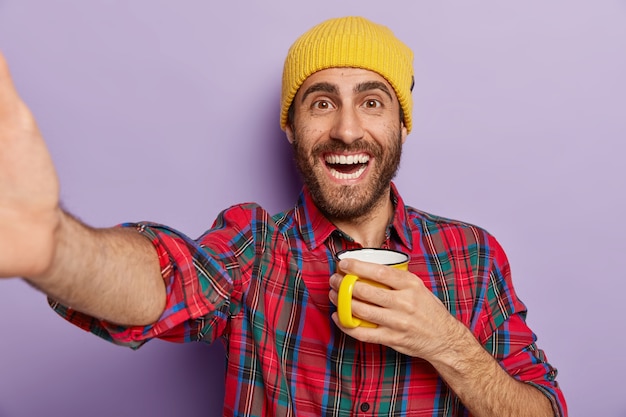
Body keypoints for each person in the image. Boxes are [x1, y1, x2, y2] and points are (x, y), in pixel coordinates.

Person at [0, 16, 566, 417]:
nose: (347, 129)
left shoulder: (472, 255)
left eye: (372, 102)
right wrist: (55, 244)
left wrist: (445, 342)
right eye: (322, 102)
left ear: (401, 124)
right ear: (291, 126)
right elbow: (163, 280)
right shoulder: (256, 245)